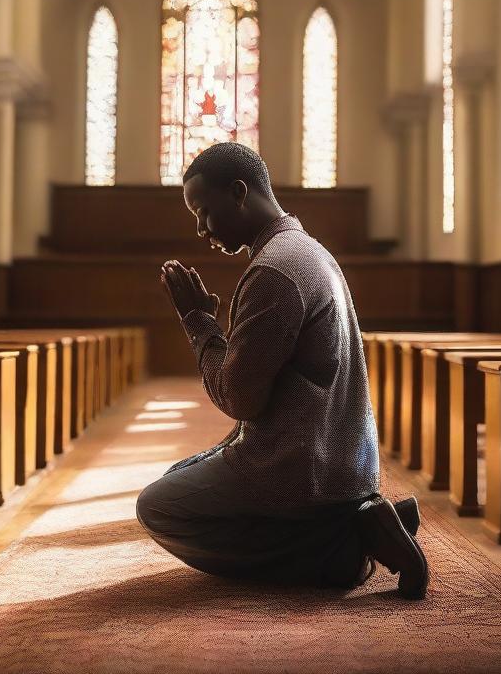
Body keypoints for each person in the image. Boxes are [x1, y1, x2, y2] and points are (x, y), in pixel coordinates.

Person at [136, 141, 429, 597]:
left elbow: (239, 399)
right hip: (341, 462)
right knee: (178, 478)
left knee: (160, 507)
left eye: (204, 212)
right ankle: (359, 520)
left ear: (238, 192)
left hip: (299, 465)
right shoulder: (309, 252)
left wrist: (199, 326)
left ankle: (344, 547)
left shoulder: (275, 271)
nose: (200, 230)